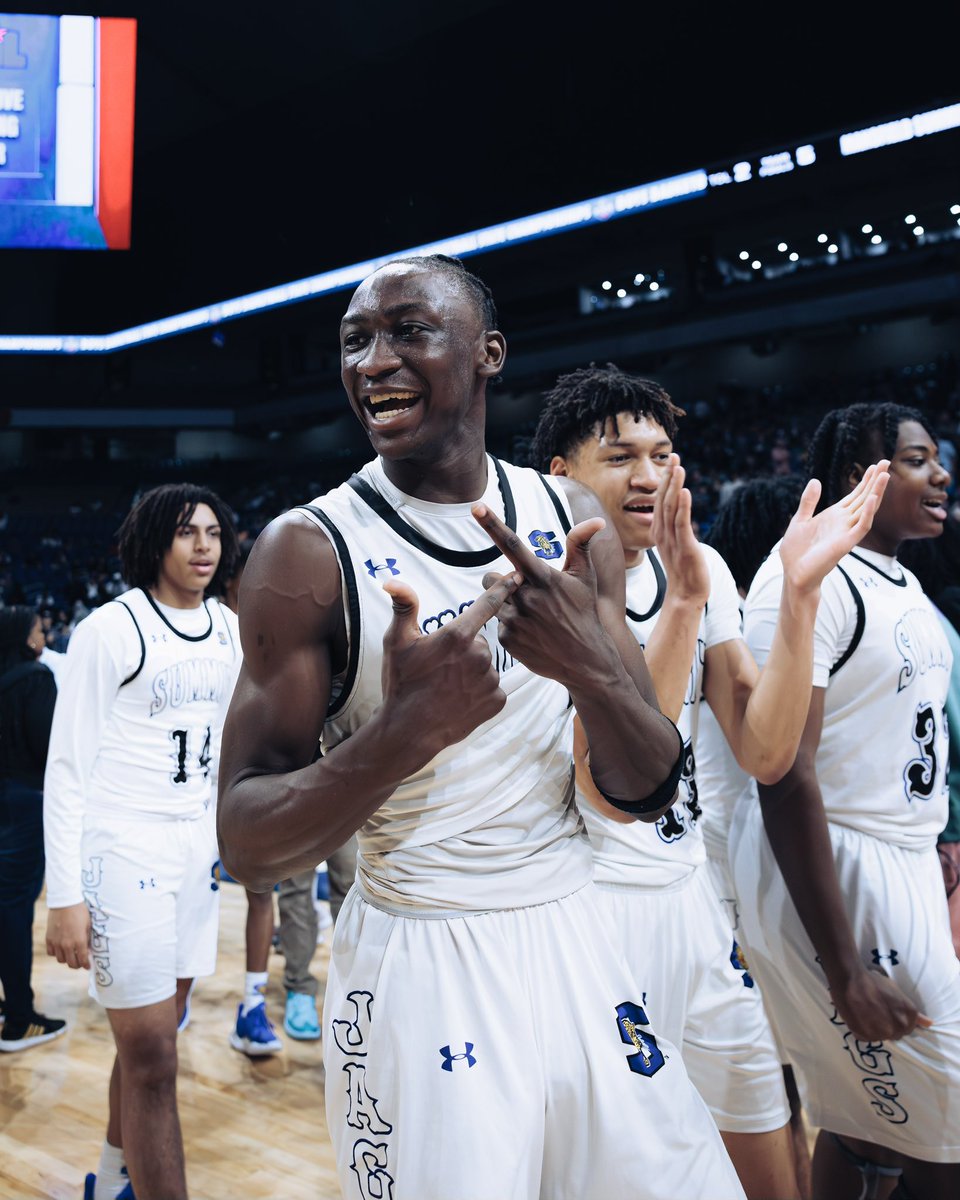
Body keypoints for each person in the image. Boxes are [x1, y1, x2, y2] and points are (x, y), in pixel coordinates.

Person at [217, 254, 747, 1199]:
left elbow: (647, 786)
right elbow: (247, 842)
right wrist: (404, 732)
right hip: (422, 955)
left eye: (408, 331)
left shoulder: (569, 516)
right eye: (355, 341)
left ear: (489, 353)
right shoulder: (305, 550)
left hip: (578, 930)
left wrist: (587, 668)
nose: (374, 360)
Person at [529, 364, 888, 1200]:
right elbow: (620, 784)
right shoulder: (544, 591)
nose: (650, 476)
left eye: (662, 454)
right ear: (562, 477)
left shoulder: (704, 569)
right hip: (592, 913)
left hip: (693, 899)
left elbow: (766, 750)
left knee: (771, 1155)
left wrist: (799, 594)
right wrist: (684, 608)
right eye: (620, 457)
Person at [730, 402, 959, 1199]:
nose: (942, 475)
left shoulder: (898, 576)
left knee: (871, 1128)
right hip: (841, 866)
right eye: (921, 459)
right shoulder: (808, 575)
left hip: (903, 860)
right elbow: (784, 771)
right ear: (870, 470)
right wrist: (845, 969)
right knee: (950, 1132)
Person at [43, 483, 241, 1200]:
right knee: (154, 1053)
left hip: (196, 853)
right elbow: (66, 769)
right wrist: (64, 896)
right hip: (122, 850)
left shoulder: (228, 627)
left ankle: (113, 1173)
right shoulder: (109, 628)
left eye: (214, 533)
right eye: (188, 532)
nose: (204, 547)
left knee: (158, 1035)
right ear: (155, 539)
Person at [699, 474, 813, 1198]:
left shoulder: (725, 615)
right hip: (742, 855)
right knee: (770, 1078)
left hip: (720, 847)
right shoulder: (756, 629)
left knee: (770, 1077)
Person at [0, 604, 64, 1052]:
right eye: (40, 629)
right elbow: (52, 750)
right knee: (15, 910)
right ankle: (19, 1017)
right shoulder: (36, 679)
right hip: (24, 806)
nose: (45, 635)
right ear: (26, 637)